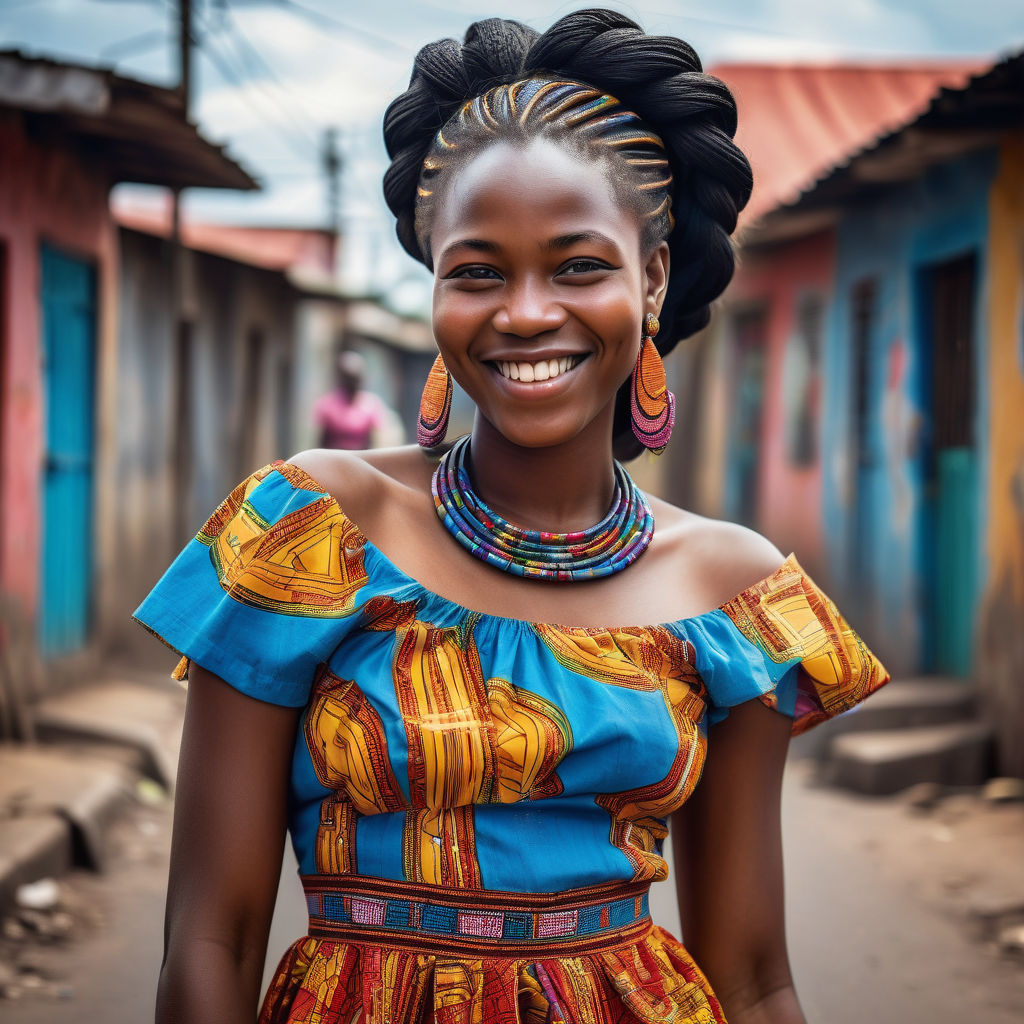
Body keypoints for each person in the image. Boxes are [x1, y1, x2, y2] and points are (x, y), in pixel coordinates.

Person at [135, 11, 890, 1023]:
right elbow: (208, 942)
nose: (525, 313)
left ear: (651, 278)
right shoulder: (311, 534)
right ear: (434, 288)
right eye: (477, 271)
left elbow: (752, 975)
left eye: (578, 266)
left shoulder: (735, 597)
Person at [313, 349, 389, 450]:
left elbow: (375, 440)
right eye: (348, 378)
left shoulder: (371, 404)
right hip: (333, 458)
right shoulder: (327, 404)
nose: (352, 383)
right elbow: (321, 439)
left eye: (355, 378)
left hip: (360, 458)